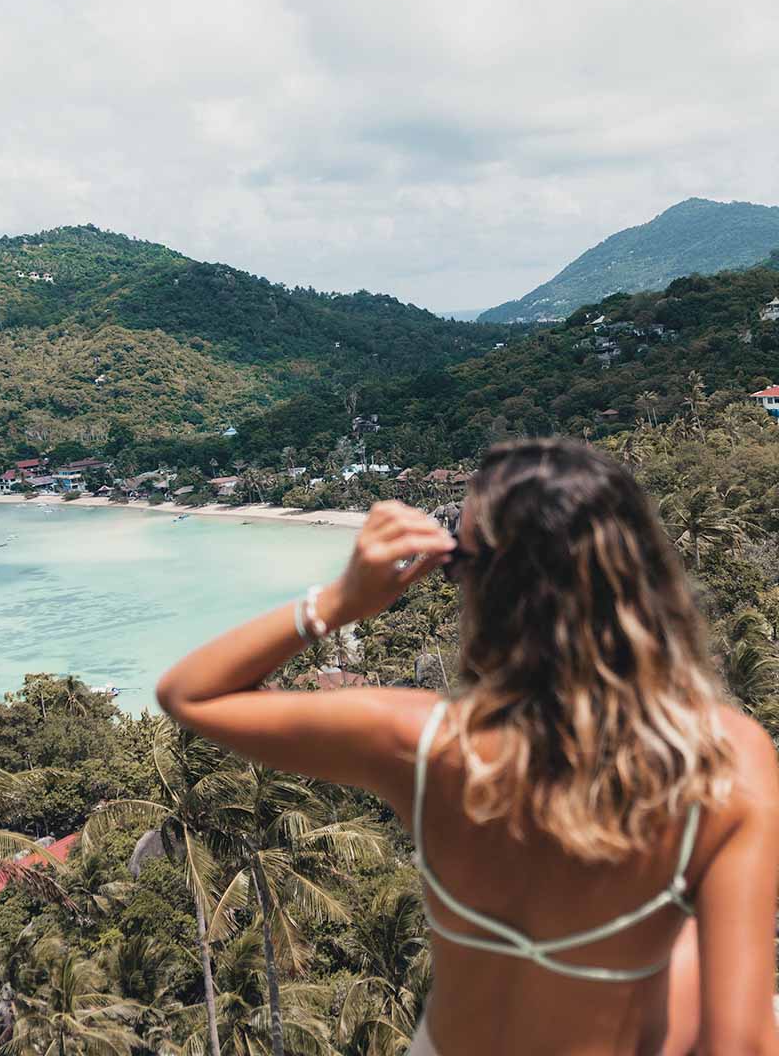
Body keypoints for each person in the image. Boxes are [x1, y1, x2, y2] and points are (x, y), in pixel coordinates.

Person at [157, 439, 779, 1055]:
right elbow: (740, 1043)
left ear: (484, 591)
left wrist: (342, 600)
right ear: (645, 575)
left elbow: (189, 694)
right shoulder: (722, 765)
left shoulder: (426, 745)